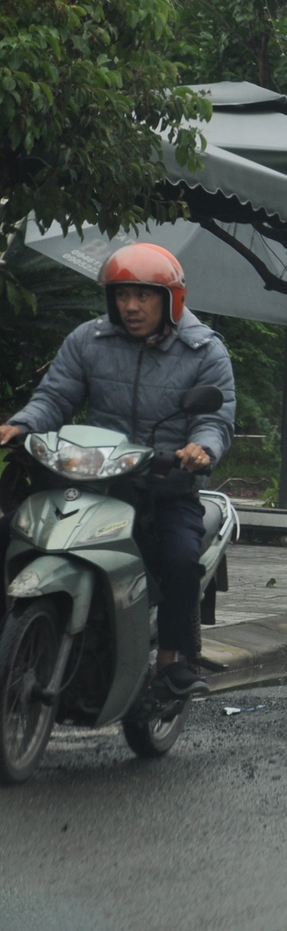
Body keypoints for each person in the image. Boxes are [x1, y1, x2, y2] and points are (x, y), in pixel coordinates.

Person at [0, 244, 236, 698]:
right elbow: (56, 397)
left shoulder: (205, 350)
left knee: (180, 559)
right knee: (9, 533)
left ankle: (171, 661)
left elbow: (215, 418)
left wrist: (200, 449)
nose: (130, 306)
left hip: (164, 488)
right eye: (122, 295)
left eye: (143, 296)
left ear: (170, 299)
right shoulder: (88, 340)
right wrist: (21, 425)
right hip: (89, 482)